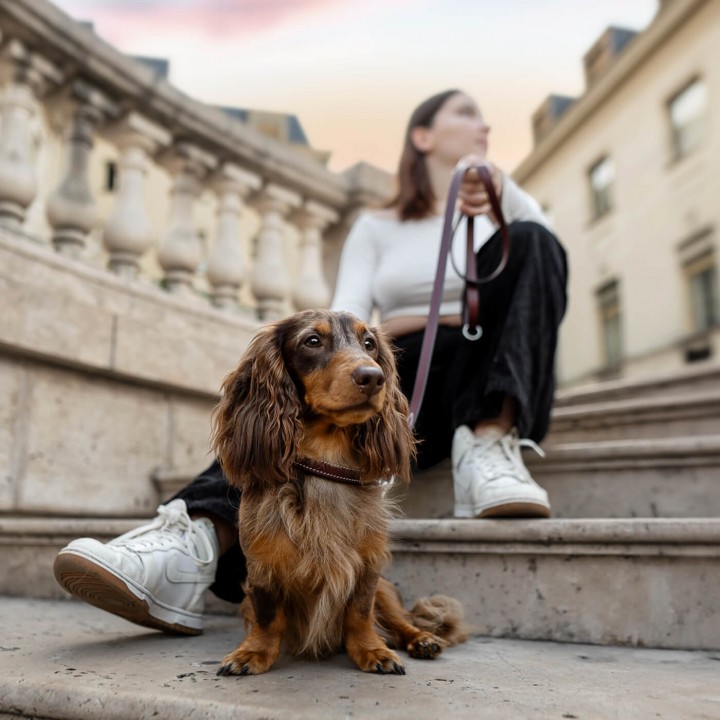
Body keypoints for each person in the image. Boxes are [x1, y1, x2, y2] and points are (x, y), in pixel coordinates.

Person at [54, 89, 567, 635]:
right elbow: (343, 317)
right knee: (289, 410)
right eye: (465, 113)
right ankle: (189, 542)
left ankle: (489, 440)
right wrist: (350, 364)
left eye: (484, 117)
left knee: (535, 241)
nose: (482, 124)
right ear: (423, 136)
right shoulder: (377, 226)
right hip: (395, 369)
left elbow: (547, 280)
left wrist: (502, 191)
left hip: (482, 370)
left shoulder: (505, 217)